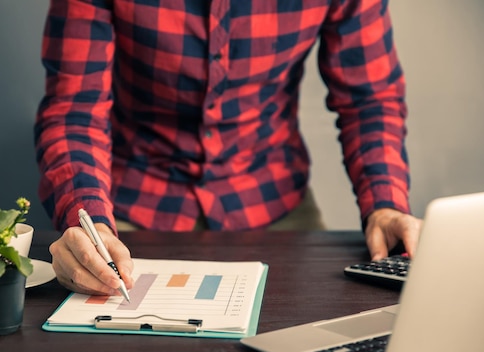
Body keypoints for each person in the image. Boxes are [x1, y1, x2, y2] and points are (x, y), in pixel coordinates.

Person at [34, 0, 422, 296]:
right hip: (132, 202)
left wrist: (385, 204)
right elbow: (75, 110)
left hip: (272, 196)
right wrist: (89, 220)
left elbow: (370, 99)